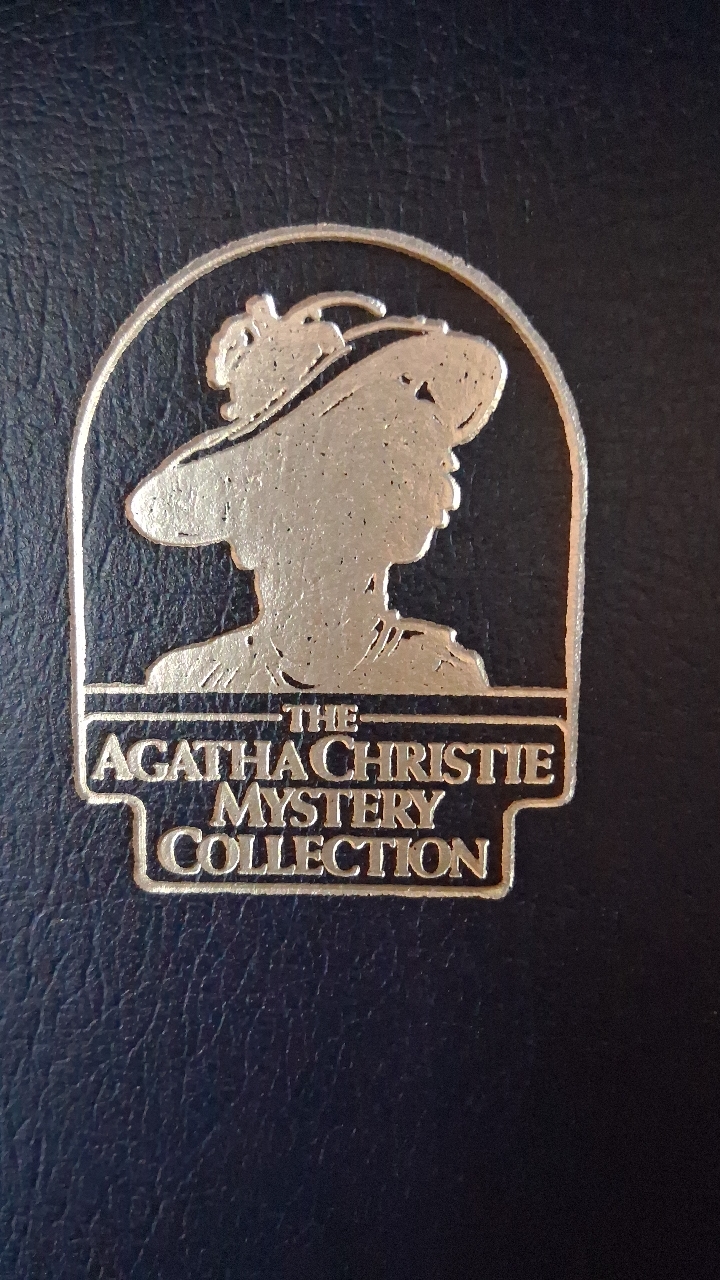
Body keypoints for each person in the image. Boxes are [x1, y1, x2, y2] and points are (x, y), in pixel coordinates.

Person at [126, 292, 506, 694]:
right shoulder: (193, 683)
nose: (440, 489)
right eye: (393, 450)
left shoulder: (443, 679)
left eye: (414, 451)